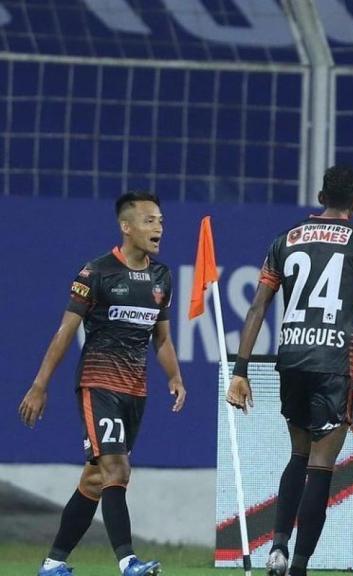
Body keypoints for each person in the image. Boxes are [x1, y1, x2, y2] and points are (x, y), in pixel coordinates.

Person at [225, 165, 353, 576]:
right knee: (322, 463)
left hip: (292, 357)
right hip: (334, 360)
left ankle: (278, 547)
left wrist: (240, 370)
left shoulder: (285, 240)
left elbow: (257, 307)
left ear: (321, 197)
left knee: (298, 454)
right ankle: (299, 566)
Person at [19, 191, 186, 576]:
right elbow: (65, 332)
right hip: (99, 383)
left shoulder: (162, 277)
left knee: (95, 479)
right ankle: (129, 562)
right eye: (149, 220)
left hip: (136, 389)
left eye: (160, 220)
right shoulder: (95, 273)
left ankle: (52, 563)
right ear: (126, 227)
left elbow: (161, 338)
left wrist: (175, 376)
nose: (158, 227)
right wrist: (40, 385)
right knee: (117, 470)